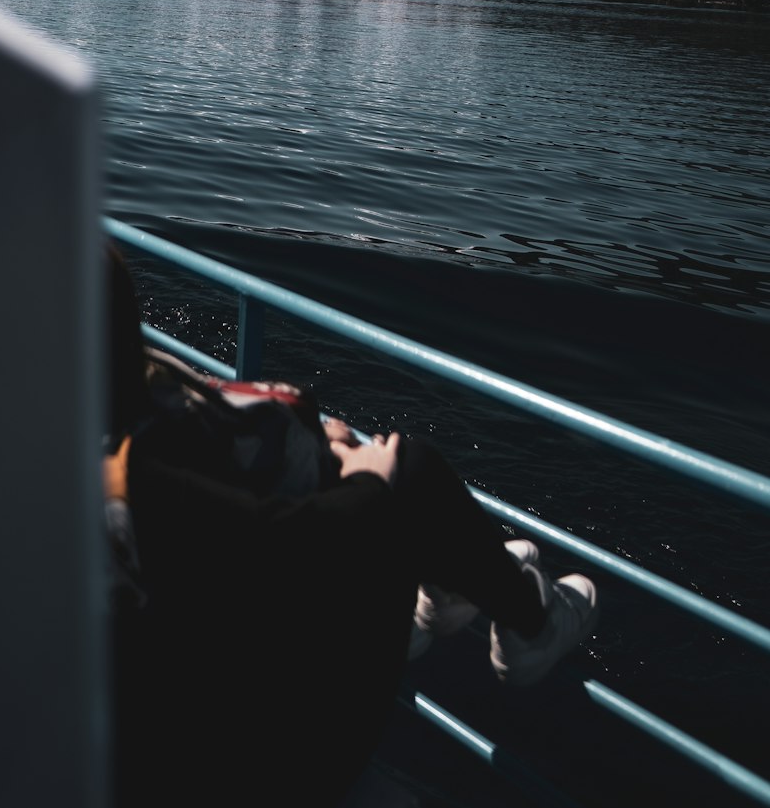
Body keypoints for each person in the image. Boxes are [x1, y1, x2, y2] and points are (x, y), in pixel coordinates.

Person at [104, 245, 599, 806]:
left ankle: (445, 596)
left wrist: (317, 448)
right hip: (256, 767)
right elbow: (285, 546)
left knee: (373, 481)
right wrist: (368, 479)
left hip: (154, 721)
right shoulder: (123, 482)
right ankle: (530, 623)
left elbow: (219, 526)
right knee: (409, 470)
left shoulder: (34, 464)